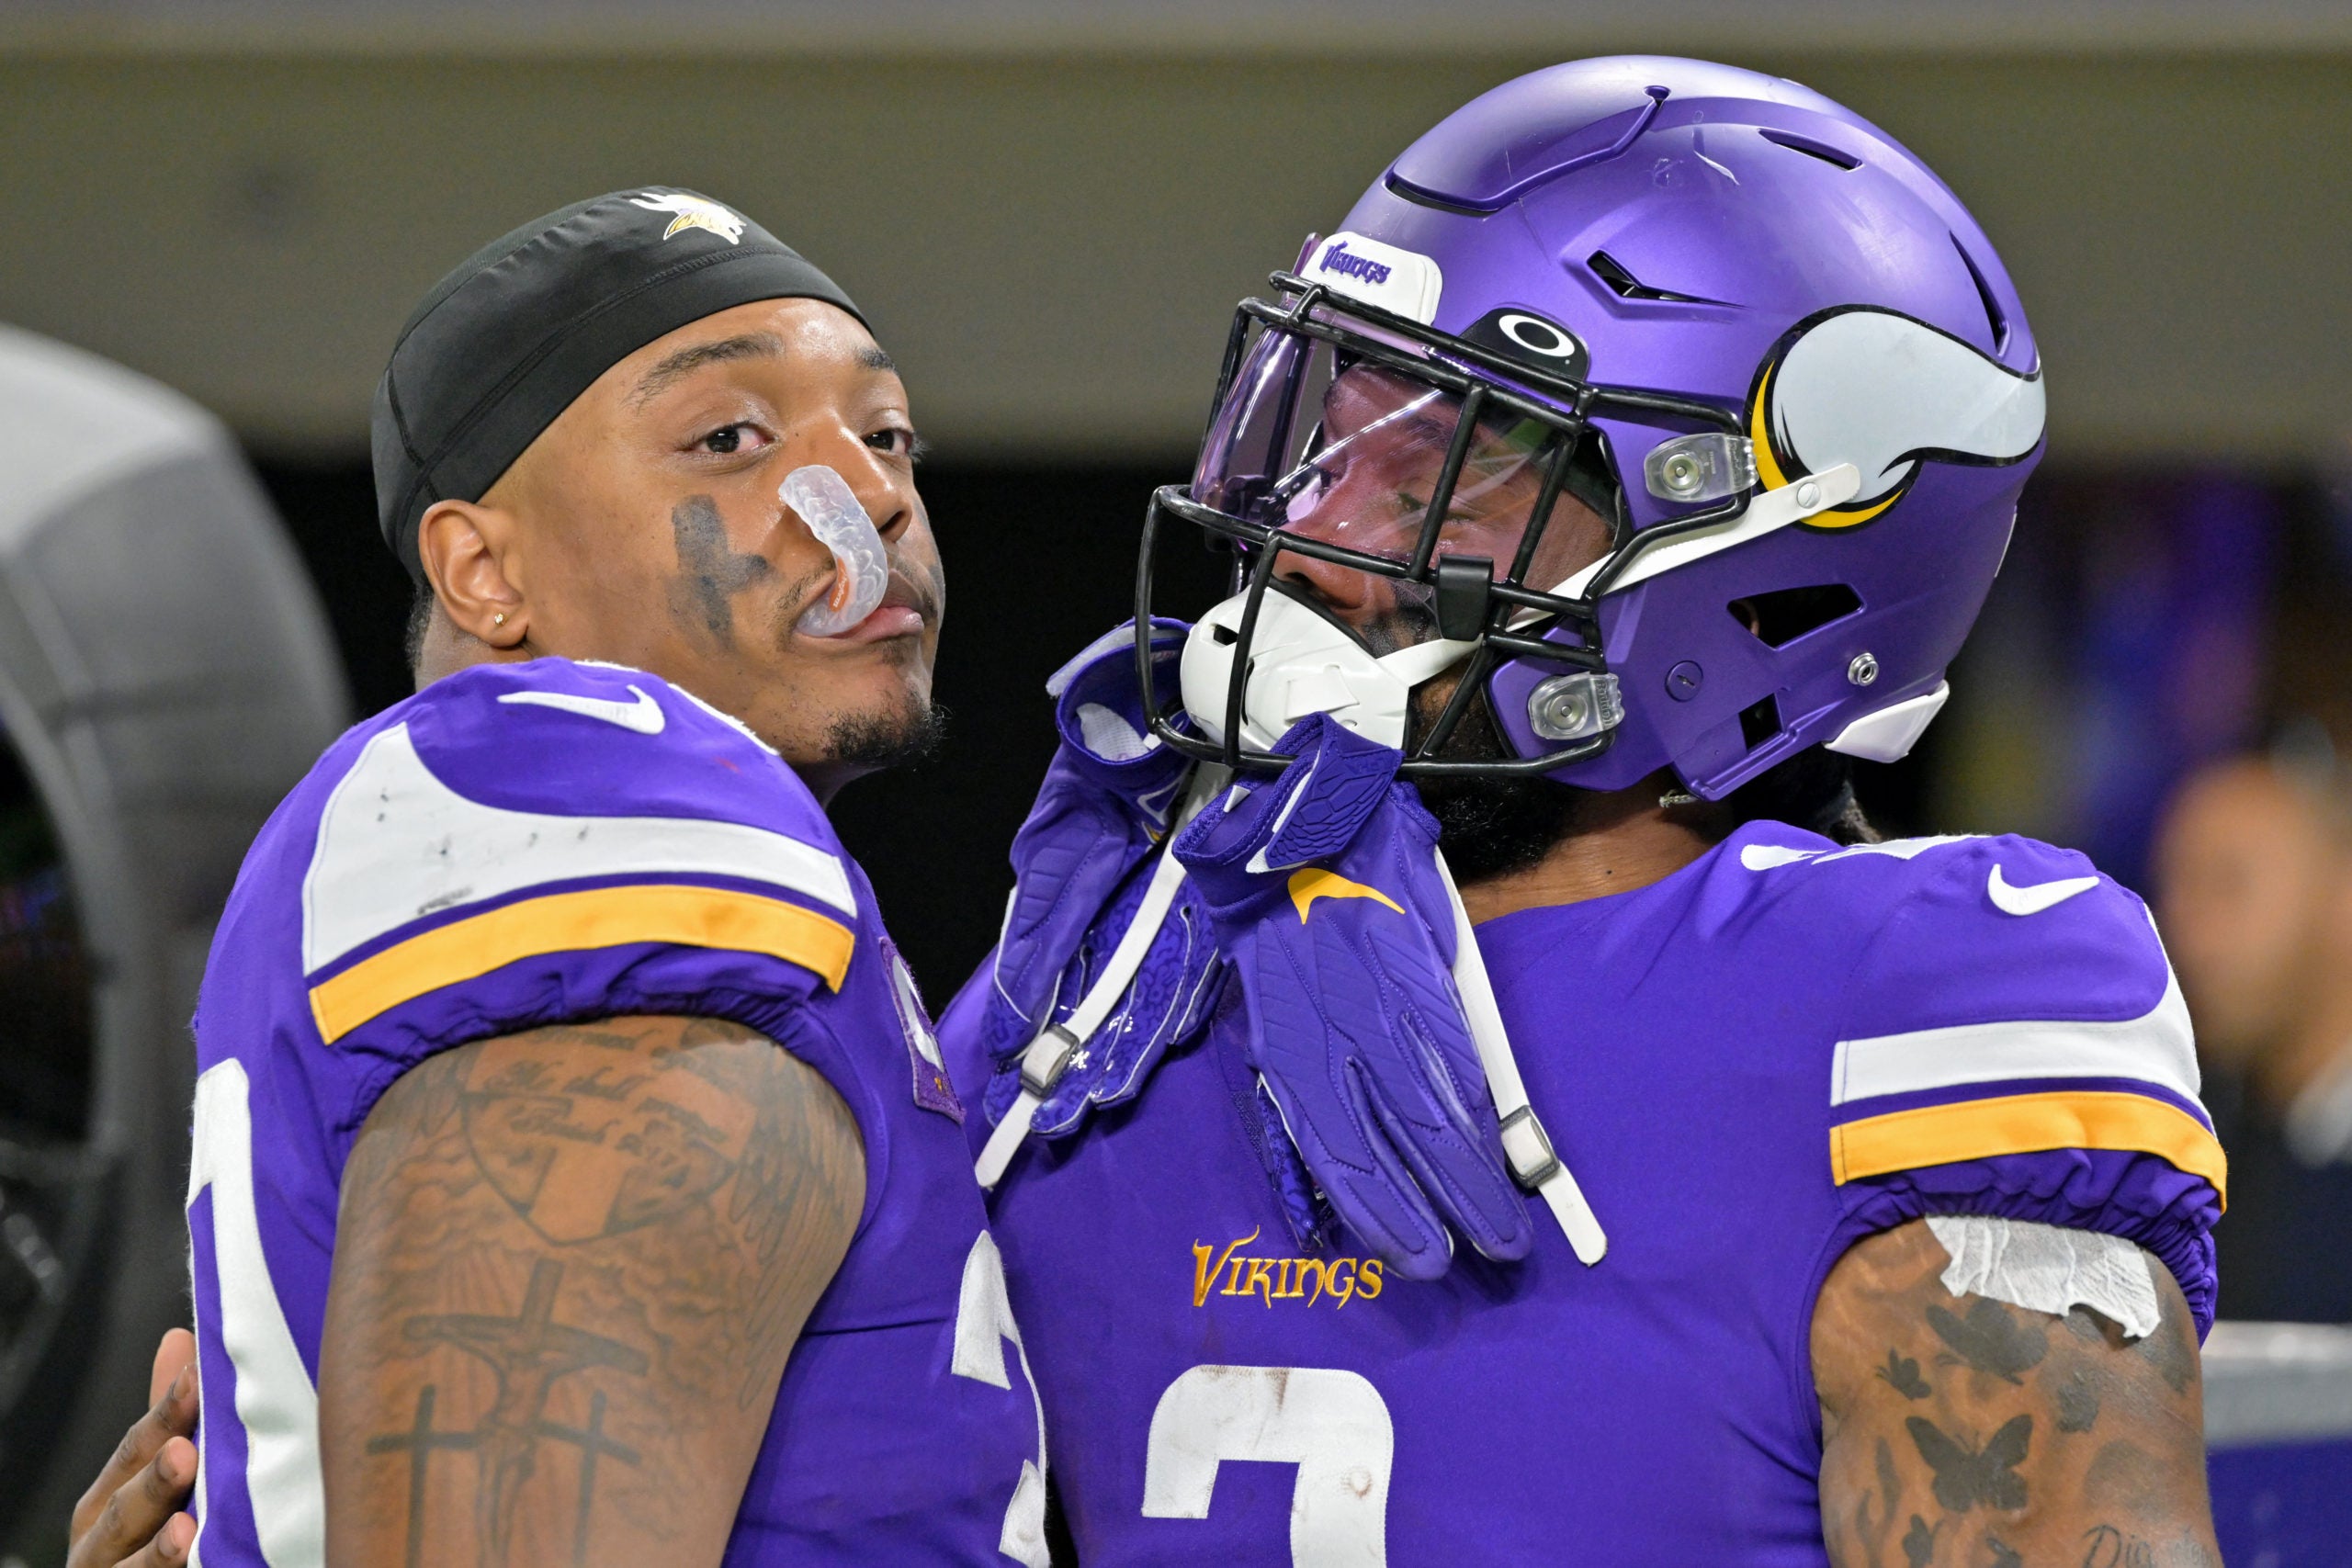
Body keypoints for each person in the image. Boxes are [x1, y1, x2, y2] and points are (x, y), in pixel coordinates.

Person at [940, 58, 2227, 1564]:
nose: (1315, 533)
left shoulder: (1914, 990)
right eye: (1326, 434)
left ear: (1764, 561)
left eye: (1450, 475)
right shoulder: (1107, 980)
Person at [75, 188, 1046, 1568]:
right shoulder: (590, 802)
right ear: (483, 571)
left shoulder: (658, 862)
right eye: (731, 438)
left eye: (886, 435)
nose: (872, 495)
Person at [2154, 750, 2352, 1320]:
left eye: (2228, 885)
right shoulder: (2200, 1142)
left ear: (2342, 896)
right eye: (2174, 890)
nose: (2186, 934)